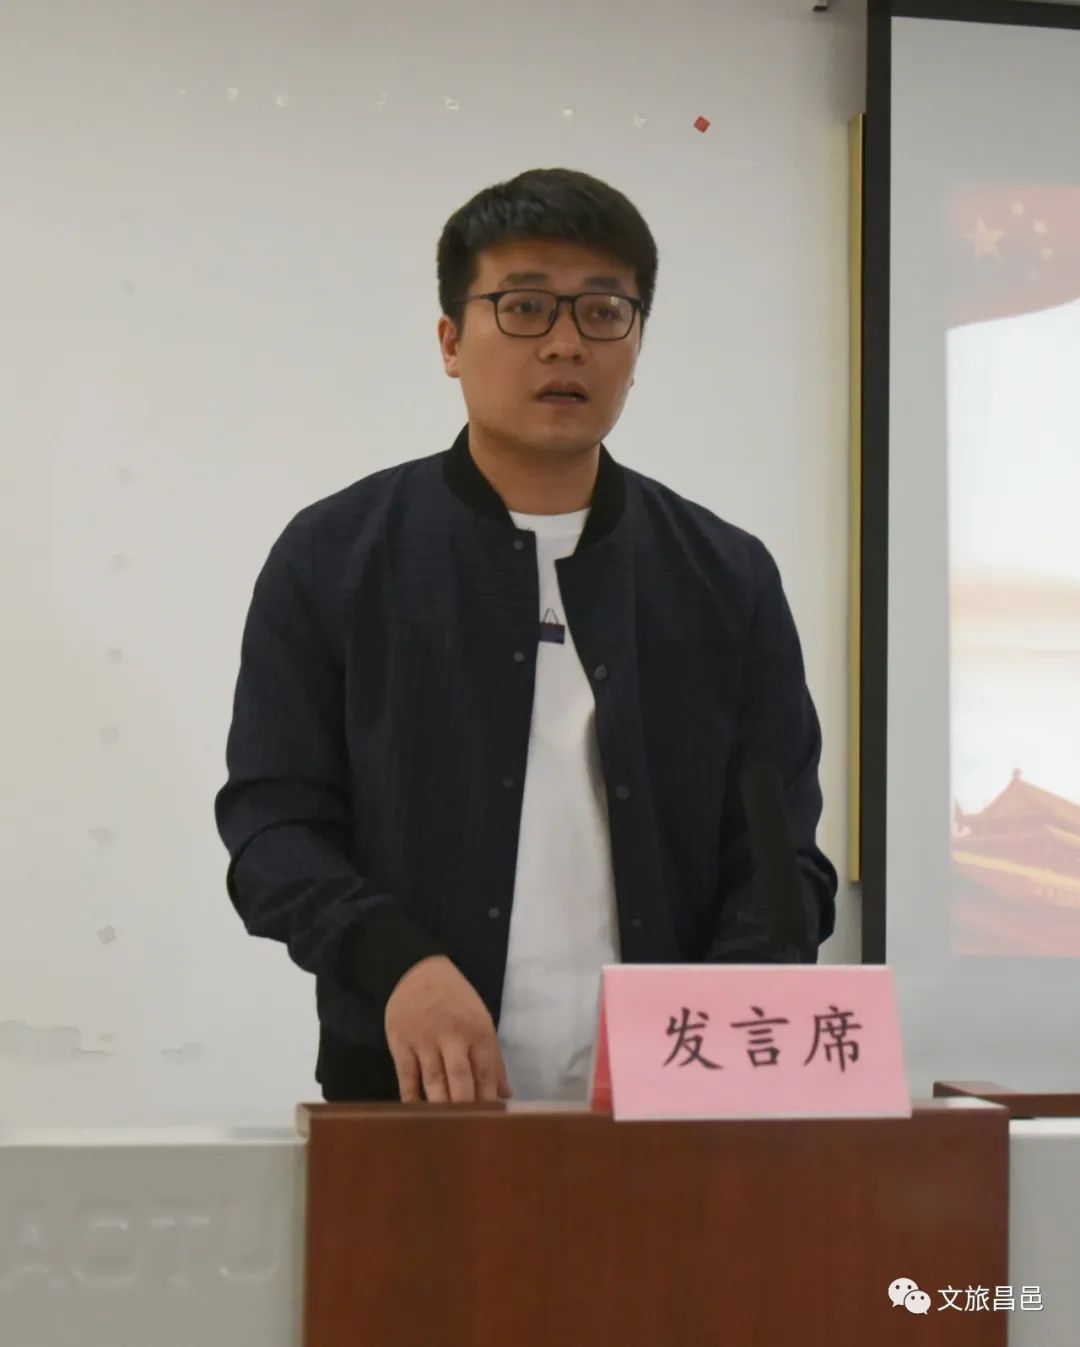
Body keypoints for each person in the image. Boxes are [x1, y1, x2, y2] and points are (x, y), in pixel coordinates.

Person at [214, 167, 837, 1105]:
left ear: (637, 343)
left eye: (604, 312)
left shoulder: (725, 577)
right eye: (525, 306)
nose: (565, 343)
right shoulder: (336, 556)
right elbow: (273, 829)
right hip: (409, 1099)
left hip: (675, 1107)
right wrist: (396, 962)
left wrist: (712, 1025)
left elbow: (781, 860)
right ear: (450, 340)